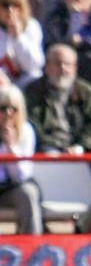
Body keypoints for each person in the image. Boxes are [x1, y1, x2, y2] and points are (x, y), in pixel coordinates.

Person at [24, 43, 91, 154]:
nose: (63, 69)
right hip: (45, 151)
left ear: (75, 68)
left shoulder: (87, 92)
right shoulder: (33, 90)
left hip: (80, 152)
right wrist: (48, 147)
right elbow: (32, 123)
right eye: (58, 63)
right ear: (47, 66)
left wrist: (80, 146)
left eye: (68, 64)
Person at [0, 85, 44, 235]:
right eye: (3, 108)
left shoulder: (26, 131)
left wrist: (11, 147)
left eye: (14, 109)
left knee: (28, 192)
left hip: (12, 188)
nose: (8, 113)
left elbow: (21, 175)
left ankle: (32, 246)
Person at [0, 0, 45, 89]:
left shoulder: (31, 26)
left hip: (23, 81)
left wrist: (18, 37)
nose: (11, 10)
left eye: (16, 5)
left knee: (36, 76)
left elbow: (34, 65)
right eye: (5, 5)